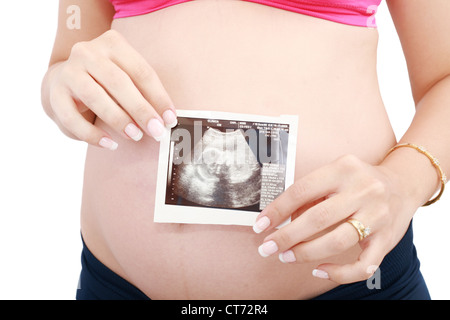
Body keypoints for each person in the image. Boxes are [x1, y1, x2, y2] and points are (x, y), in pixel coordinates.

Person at [41, 0, 449, 300]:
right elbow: (66, 60)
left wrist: (404, 180)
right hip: (115, 285)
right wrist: (62, 81)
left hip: (347, 283)